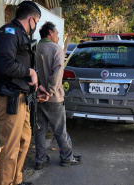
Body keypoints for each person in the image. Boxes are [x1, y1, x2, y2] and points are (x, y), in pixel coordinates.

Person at [0, 1, 47, 185]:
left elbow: (24, 66)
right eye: (37, 21)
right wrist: (29, 72)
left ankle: (16, 180)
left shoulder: (22, 35)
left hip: (22, 97)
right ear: (31, 19)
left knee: (24, 139)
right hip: (10, 98)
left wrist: (36, 85)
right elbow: (4, 64)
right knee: (10, 147)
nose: (37, 25)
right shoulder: (9, 33)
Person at [35, 22, 82, 170]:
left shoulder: (35, 48)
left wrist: (40, 92)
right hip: (53, 97)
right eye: (56, 33)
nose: (58, 36)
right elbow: (57, 74)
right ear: (50, 33)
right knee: (60, 129)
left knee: (40, 130)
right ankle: (67, 157)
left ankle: (40, 160)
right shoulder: (56, 49)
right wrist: (50, 91)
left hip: (38, 96)